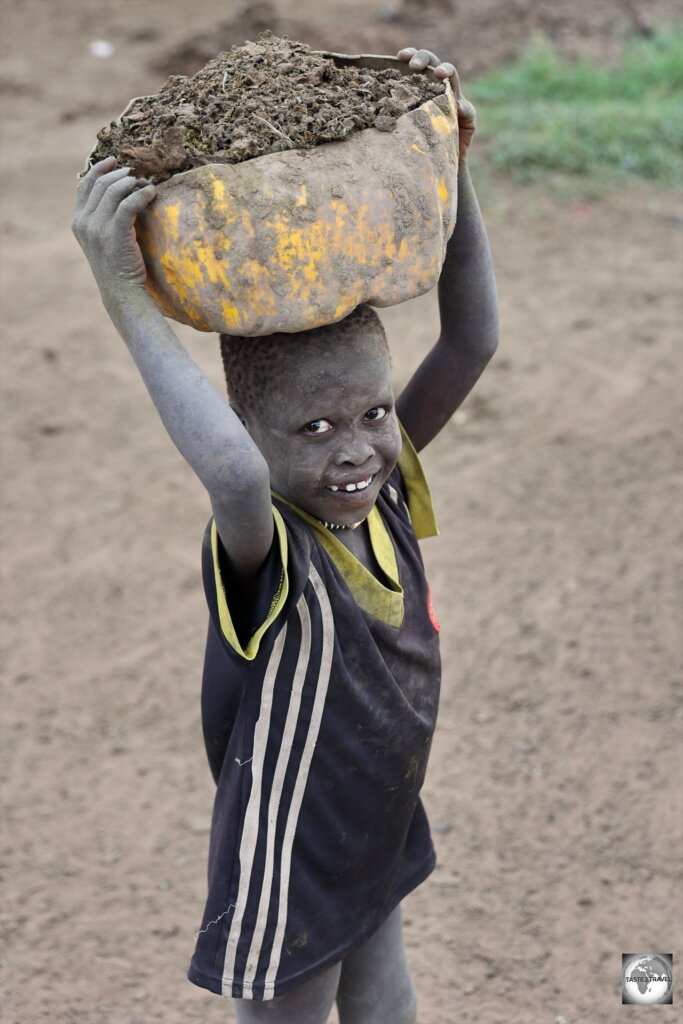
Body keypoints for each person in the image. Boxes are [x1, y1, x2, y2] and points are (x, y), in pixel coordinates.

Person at [73, 45, 498, 1024]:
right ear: (256, 438)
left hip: (375, 820)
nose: (352, 450)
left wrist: (450, 160)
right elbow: (225, 469)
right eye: (310, 430)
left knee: (387, 999)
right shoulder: (270, 544)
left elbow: (471, 338)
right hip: (291, 862)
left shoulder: (383, 492)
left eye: (370, 415)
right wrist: (121, 286)